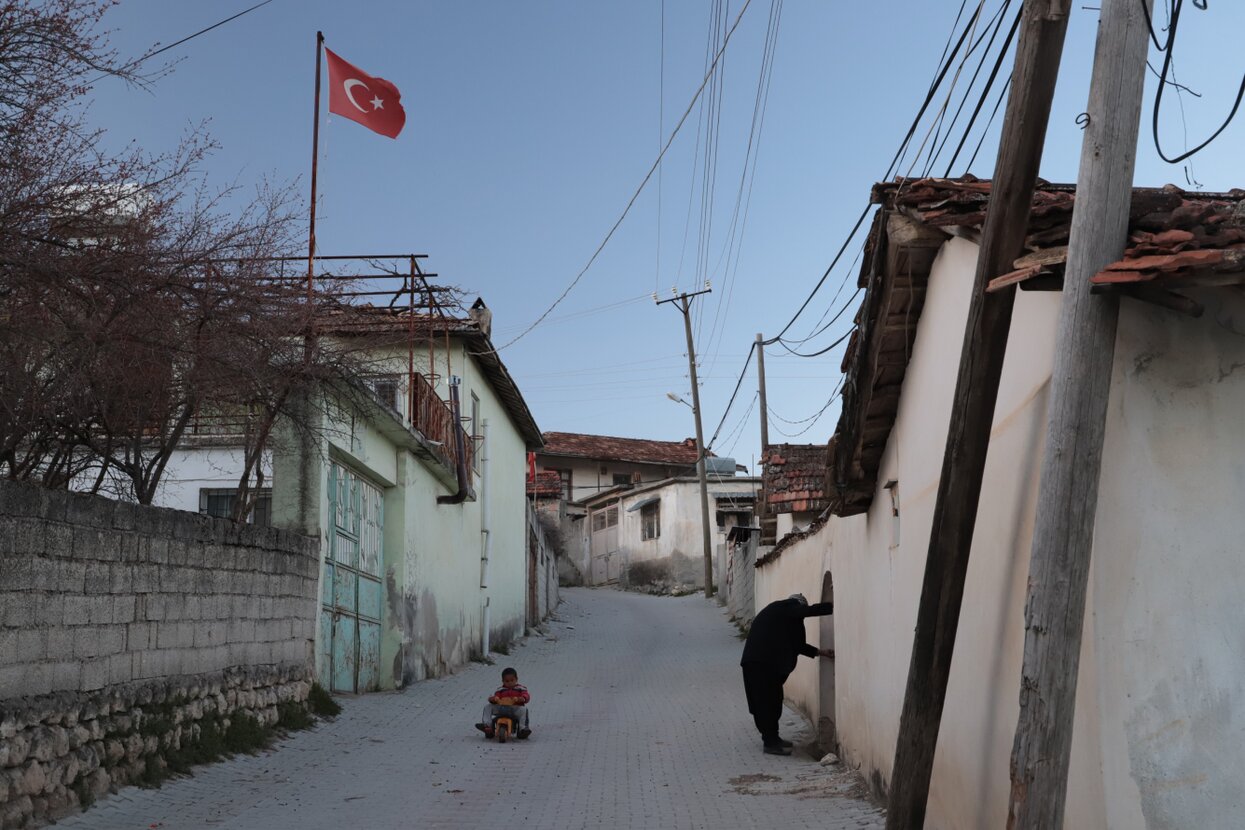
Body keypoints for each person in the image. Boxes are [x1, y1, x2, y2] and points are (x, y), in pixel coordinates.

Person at [740, 593, 834, 755]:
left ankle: (773, 738)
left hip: (761, 664)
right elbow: (800, 612)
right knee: (766, 703)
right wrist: (831, 606)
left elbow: (798, 645)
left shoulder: (783, 619)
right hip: (761, 664)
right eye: (802, 608)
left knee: (771, 701)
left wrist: (821, 652)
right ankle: (770, 743)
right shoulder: (786, 607)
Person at [475, 667, 531, 739]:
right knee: (488, 706)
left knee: (524, 709)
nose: (510, 683)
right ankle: (487, 726)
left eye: (512, 680)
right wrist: (493, 699)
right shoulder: (500, 690)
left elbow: (526, 695)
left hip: (515, 708)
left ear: (516, 679)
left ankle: (523, 729)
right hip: (502, 708)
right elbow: (496, 697)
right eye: (507, 681)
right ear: (503, 681)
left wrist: (522, 698)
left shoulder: (521, 688)